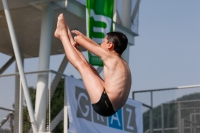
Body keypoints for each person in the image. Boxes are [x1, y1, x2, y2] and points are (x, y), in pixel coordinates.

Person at [54, 14, 132, 116]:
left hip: (104, 104)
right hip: (110, 104)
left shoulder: (111, 58)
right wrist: (83, 38)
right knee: (87, 66)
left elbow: (91, 47)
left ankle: (63, 35)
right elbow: (97, 47)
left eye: (104, 41)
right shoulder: (122, 62)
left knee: (82, 66)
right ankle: (65, 33)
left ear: (110, 45)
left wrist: (80, 39)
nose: (101, 43)